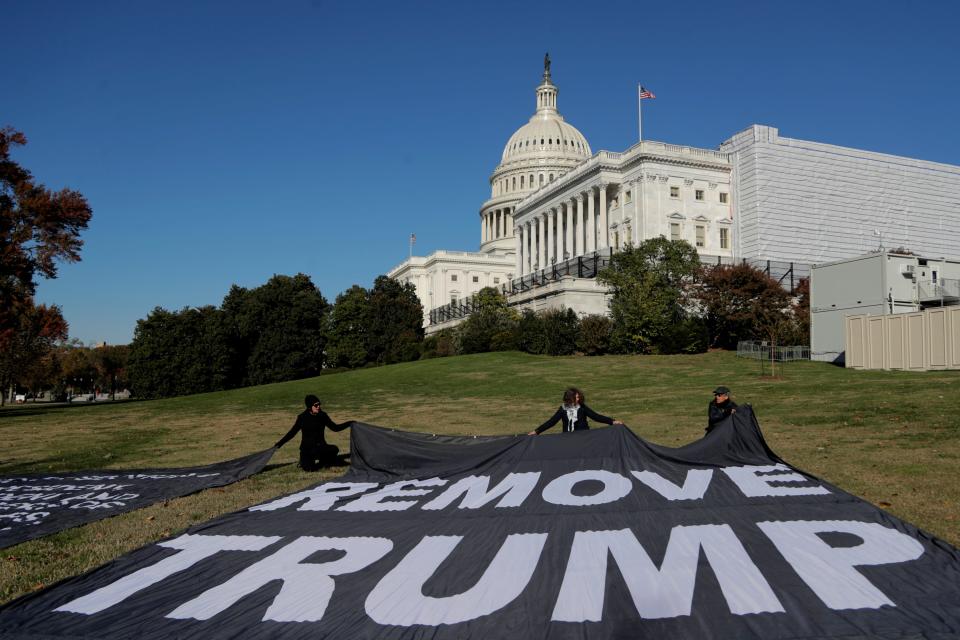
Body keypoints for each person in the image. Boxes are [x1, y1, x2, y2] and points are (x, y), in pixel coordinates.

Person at [274, 395, 351, 471]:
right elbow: (292, 433)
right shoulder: (302, 417)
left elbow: (335, 428)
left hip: (320, 447)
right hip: (307, 449)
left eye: (319, 404)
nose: (318, 407)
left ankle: (323, 461)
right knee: (310, 469)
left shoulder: (322, 415)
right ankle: (304, 461)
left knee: (334, 449)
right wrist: (279, 444)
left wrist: (349, 423)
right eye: (316, 405)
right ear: (309, 406)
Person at [528, 388, 624, 435]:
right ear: (570, 398)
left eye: (578, 397)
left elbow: (596, 417)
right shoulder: (562, 409)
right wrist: (537, 431)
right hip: (568, 439)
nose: (578, 399)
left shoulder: (582, 407)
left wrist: (612, 421)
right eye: (576, 397)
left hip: (584, 437)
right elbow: (551, 422)